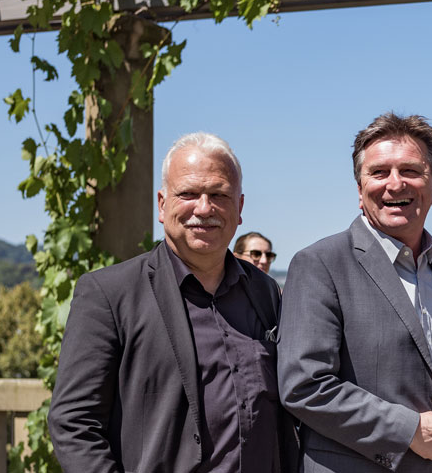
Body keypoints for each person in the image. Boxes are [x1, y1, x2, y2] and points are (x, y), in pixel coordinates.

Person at [48, 132, 299, 472]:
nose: (204, 208)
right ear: (162, 204)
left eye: (219, 194)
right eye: (188, 193)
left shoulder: (265, 292)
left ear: (239, 208)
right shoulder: (109, 294)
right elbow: (73, 423)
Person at [278, 112, 432, 473]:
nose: (395, 184)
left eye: (410, 171)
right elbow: (303, 385)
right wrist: (407, 430)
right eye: (379, 172)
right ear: (360, 190)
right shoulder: (320, 264)